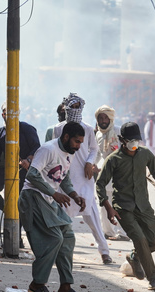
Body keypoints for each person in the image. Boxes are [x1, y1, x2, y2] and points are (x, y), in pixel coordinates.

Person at [97, 122, 155, 290]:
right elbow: (100, 184)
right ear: (122, 140)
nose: (134, 143)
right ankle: (153, 278)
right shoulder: (113, 159)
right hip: (123, 208)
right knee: (140, 239)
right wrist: (108, 207)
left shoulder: (145, 154)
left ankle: (134, 256)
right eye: (130, 140)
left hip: (143, 205)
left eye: (136, 140)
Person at [19, 121, 86, 292]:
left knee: (68, 236)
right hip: (33, 197)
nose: (78, 146)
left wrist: (74, 195)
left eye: (80, 142)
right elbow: (32, 175)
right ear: (66, 137)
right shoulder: (48, 149)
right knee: (54, 238)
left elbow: (63, 178)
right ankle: (37, 284)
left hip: (48, 200)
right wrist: (54, 194)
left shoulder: (68, 153)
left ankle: (65, 287)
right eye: (76, 142)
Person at [48, 93, 113, 264]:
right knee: (63, 217)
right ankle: (60, 251)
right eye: (72, 107)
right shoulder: (58, 128)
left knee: (92, 217)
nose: (75, 110)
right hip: (65, 178)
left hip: (84, 177)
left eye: (78, 106)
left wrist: (90, 163)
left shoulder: (89, 129)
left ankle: (104, 251)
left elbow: (94, 149)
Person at [0, 103, 40, 247]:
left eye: (12, 112)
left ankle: (16, 237)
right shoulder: (1, 132)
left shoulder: (27, 129)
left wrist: (28, 160)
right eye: (6, 112)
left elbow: (36, 148)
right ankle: (11, 212)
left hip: (23, 171)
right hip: (6, 169)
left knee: (19, 202)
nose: (8, 115)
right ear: (2, 115)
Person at [94, 104, 129, 242]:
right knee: (104, 203)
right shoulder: (97, 134)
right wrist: (93, 165)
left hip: (119, 173)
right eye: (100, 118)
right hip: (103, 172)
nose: (103, 120)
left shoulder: (119, 132)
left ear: (110, 118)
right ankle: (108, 232)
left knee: (120, 203)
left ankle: (123, 232)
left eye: (105, 117)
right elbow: (97, 153)